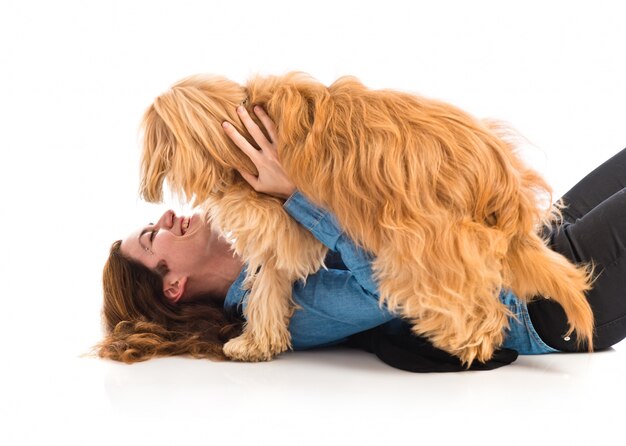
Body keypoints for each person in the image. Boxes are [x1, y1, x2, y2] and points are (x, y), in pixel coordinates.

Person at [98, 105, 626, 371]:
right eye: (151, 237)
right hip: (543, 304)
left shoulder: (260, 234)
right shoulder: (275, 313)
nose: (166, 217)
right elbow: (386, 286)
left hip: (528, 238)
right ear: (174, 286)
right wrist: (294, 195)